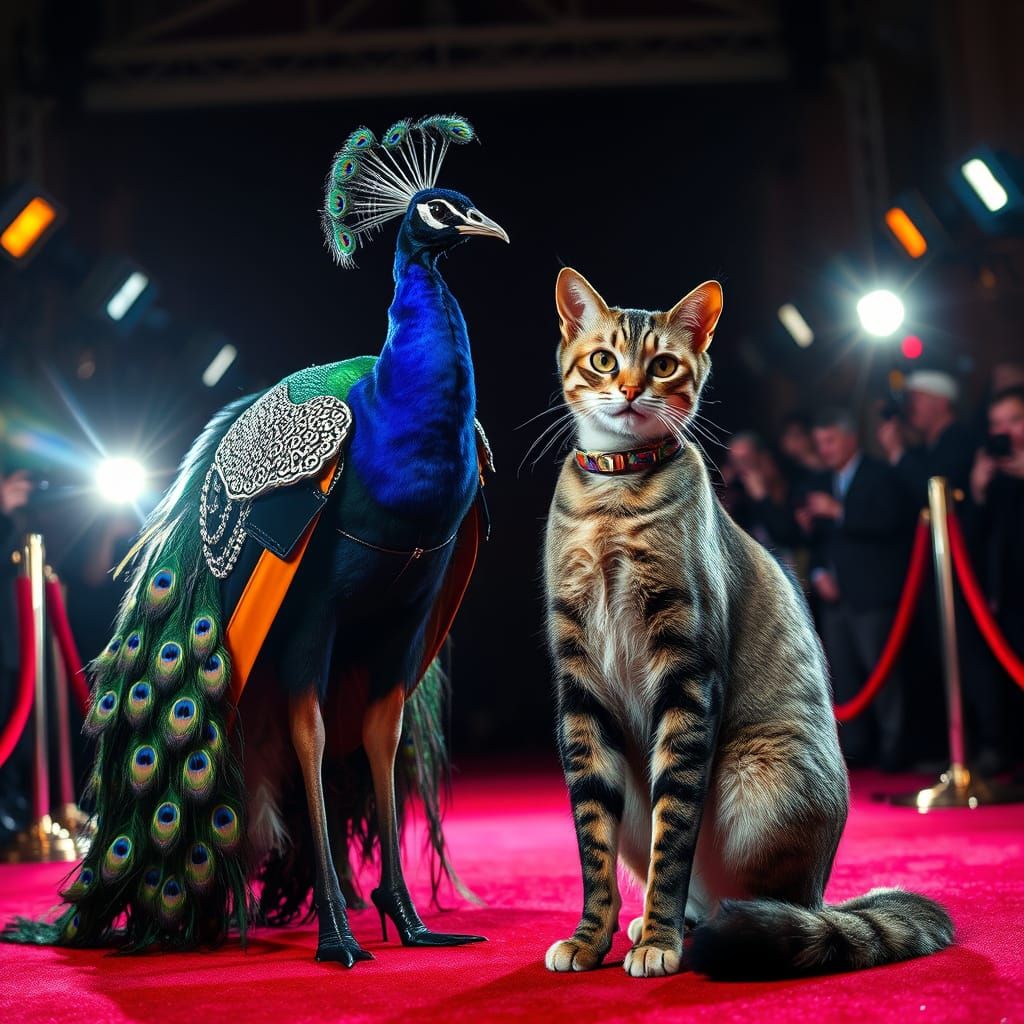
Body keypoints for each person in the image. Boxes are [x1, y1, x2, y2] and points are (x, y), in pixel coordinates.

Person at [807, 409, 917, 770]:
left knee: (883, 677)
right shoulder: (824, 480)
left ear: (851, 438)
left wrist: (838, 511)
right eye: (820, 443)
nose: (824, 450)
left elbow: (891, 520)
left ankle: (895, 751)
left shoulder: (880, 474)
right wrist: (820, 571)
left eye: (830, 441)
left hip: (873, 594)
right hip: (836, 597)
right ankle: (855, 752)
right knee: (844, 677)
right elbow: (819, 539)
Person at [965, 386, 1024, 774]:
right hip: (1007, 594)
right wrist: (977, 491)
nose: (1005, 431)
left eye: (1015, 420)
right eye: (997, 423)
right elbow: (974, 538)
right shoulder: (995, 475)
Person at [876, 369, 976, 502]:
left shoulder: (961, 442)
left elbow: (936, 494)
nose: (911, 406)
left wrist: (897, 452)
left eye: (917, 399)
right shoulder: (923, 449)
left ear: (941, 403)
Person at [726, 432, 802, 561]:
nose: (741, 468)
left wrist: (762, 497)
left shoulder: (793, 487)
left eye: (745, 460)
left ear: (764, 458)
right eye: (735, 462)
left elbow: (786, 536)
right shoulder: (740, 498)